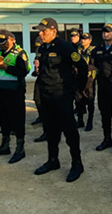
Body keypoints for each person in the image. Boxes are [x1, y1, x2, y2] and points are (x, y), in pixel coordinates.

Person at [33, 18, 88, 182]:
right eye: (39, 31)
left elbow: (83, 67)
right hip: (46, 95)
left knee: (69, 130)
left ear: (54, 30)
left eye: (44, 31)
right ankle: (52, 160)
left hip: (62, 95)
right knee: (50, 130)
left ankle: (77, 164)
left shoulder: (65, 47)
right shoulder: (42, 48)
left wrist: (78, 89)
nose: (41, 34)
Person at [0, 30, 30, 163]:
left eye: (3, 43)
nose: (1, 46)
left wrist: (6, 67)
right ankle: (5, 145)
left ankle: (20, 149)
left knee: (17, 120)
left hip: (14, 91)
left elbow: (24, 72)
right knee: (3, 119)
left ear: (11, 39)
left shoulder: (20, 53)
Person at [92, 23, 112, 154]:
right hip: (103, 86)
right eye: (104, 32)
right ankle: (107, 139)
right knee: (105, 114)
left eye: (109, 32)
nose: (106, 34)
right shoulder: (98, 49)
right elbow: (92, 64)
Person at [76, 32, 96, 131]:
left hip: (90, 79)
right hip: (79, 78)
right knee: (78, 100)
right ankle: (80, 120)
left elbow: (94, 65)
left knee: (90, 100)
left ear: (90, 40)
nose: (83, 40)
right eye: (82, 38)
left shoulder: (93, 51)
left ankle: (90, 121)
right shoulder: (78, 50)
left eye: (85, 39)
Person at [31, 35, 47, 141]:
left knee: (47, 104)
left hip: (48, 80)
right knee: (37, 98)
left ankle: (47, 131)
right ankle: (41, 116)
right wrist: (36, 69)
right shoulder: (39, 51)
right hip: (40, 77)